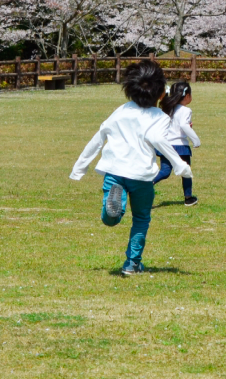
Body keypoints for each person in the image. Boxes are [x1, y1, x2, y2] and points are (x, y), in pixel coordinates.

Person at [70, 60, 192, 275]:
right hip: (141, 174)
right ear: (160, 93)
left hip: (115, 170)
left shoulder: (121, 111)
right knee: (141, 219)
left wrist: (79, 168)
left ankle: (112, 213)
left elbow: (99, 137)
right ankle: (132, 264)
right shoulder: (160, 118)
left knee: (110, 219)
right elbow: (158, 140)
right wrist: (180, 165)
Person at [154, 80, 200, 206]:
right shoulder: (186, 110)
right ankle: (188, 198)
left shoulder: (167, 108)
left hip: (167, 145)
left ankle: (147, 184)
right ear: (187, 96)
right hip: (180, 146)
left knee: (164, 171)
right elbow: (184, 126)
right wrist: (195, 140)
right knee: (186, 172)